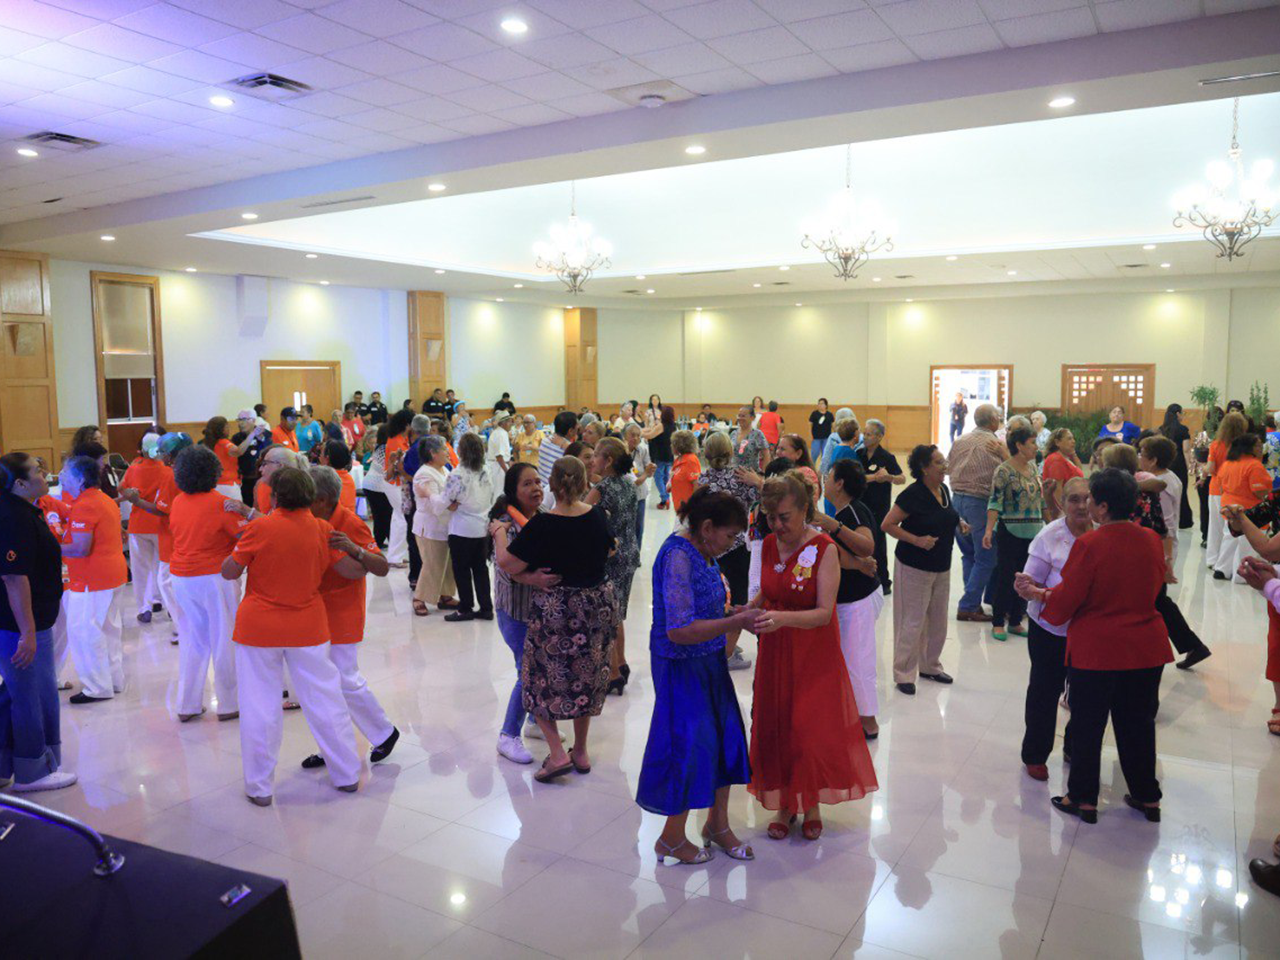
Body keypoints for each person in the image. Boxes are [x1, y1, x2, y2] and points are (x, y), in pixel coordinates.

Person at [1021, 469, 1171, 825]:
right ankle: (1147, 795)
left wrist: (1042, 596)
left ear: (1102, 507)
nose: (1085, 505)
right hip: (1146, 646)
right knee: (1138, 724)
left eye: (1090, 499)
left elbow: (1067, 600)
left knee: (1088, 724)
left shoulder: (1091, 544)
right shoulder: (1151, 538)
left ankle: (1083, 798)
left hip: (1099, 649)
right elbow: (1156, 587)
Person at [221, 466, 366, 805]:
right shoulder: (323, 529)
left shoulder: (259, 528)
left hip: (259, 629)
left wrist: (239, 551)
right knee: (326, 700)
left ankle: (259, 787)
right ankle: (346, 774)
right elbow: (350, 571)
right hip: (309, 628)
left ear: (274, 497)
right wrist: (361, 553)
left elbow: (229, 571)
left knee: (259, 706)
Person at [747, 471, 878, 840]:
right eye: (770, 517)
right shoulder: (769, 544)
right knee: (779, 727)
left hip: (812, 656)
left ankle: (813, 802)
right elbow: (768, 592)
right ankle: (787, 804)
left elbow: (823, 613)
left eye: (784, 517)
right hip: (775, 654)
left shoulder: (824, 549)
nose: (777, 525)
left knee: (807, 731)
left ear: (805, 509)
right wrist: (746, 610)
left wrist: (781, 619)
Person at [636, 488, 758, 865]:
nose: (733, 543)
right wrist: (734, 622)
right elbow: (679, 629)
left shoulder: (704, 552)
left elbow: (705, 609)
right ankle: (671, 838)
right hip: (679, 663)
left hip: (708, 660)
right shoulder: (678, 556)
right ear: (707, 527)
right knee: (689, 747)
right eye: (730, 535)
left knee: (723, 738)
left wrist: (736, 613)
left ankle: (717, 826)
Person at [497, 457, 617, 783]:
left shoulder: (544, 524)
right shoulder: (597, 516)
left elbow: (508, 563)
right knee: (585, 677)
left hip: (559, 610)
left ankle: (557, 753)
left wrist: (498, 533)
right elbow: (610, 550)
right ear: (584, 482)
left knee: (537, 679)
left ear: (552, 484)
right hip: (596, 607)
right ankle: (581, 750)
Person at [298, 465, 398, 771]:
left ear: (324, 500)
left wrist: (353, 550)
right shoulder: (308, 519)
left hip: (342, 611)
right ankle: (332, 746)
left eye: (309, 497)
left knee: (345, 679)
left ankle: (383, 732)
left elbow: (381, 566)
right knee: (322, 686)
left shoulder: (350, 522)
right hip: (313, 610)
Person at [0, 452, 77, 792]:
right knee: (30, 694)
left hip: (31, 621)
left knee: (20, 691)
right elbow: (14, 578)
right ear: (19, 483)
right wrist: (27, 633)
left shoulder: (24, 510)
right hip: (19, 624)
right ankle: (33, 771)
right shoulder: (13, 516)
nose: (44, 474)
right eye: (37, 470)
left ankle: (8, 763)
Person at [1015, 476, 1090, 782]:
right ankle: (1035, 754)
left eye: (1087, 499)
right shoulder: (1050, 536)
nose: (1082, 506)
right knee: (1045, 692)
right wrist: (1028, 588)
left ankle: (1074, 747)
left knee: (1085, 694)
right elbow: (1029, 583)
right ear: (1063, 503)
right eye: (1074, 499)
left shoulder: (1102, 532)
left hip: (1088, 631)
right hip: (1050, 629)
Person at [489, 463, 562, 765]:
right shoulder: (505, 524)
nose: (536, 488)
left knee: (540, 667)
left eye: (538, 482)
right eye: (527, 484)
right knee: (527, 673)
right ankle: (508, 735)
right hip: (515, 612)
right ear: (513, 491)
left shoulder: (541, 516)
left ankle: (534, 720)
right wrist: (533, 578)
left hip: (539, 610)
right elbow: (505, 570)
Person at [167, 445, 246, 722]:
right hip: (214, 577)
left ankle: (187, 704)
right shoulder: (221, 503)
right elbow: (246, 537)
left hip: (181, 577)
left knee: (192, 639)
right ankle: (228, 703)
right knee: (224, 638)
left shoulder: (178, 502)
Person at [883, 444, 964, 694]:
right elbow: (888, 525)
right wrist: (917, 540)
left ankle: (930, 665)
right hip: (914, 566)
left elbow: (945, 514)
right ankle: (903, 673)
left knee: (938, 620)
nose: (944, 466)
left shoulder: (943, 489)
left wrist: (959, 522)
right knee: (912, 621)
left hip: (941, 565)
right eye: (939, 462)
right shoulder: (912, 494)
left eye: (943, 461)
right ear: (924, 468)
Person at [814, 458, 882, 738]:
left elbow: (866, 547)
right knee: (849, 659)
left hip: (858, 598)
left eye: (829, 476)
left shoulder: (852, 512)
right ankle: (851, 713)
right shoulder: (843, 511)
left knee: (859, 661)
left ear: (839, 483)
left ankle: (868, 722)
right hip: (850, 598)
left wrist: (833, 525)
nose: (825, 481)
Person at [1137, 437, 1213, 670]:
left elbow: (1167, 523)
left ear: (1153, 460)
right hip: (1162, 549)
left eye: (1142, 453)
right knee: (1158, 600)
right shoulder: (1168, 477)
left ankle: (1191, 645)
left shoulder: (1161, 484)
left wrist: (1166, 559)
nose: (1138, 457)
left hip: (1161, 549)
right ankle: (1191, 646)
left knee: (1158, 600)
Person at [58, 455, 129, 704]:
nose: (60, 476)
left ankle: (96, 687)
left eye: (65, 472)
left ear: (79, 479)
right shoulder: (103, 499)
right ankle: (113, 680)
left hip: (93, 578)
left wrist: (47, 547)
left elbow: (80, 548)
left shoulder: (85, 505)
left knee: (84, 631)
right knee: (109, 629)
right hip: (112, 574)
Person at [695, 431, 759, 672]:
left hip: (709, 550)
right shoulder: (741, 477)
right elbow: (761, 499)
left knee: (715, 599)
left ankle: (718, 644)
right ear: (730, 452)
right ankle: (727, 652)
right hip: (736, 549)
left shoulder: (702, 480)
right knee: (737, 601)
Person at [983, 425, 1047, 642]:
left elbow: (1041, 500)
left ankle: (1016, 620)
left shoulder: (1034, 468)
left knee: (1027, 577)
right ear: (1019, 445)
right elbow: (994, 502)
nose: (1036, 447)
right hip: (1010, 531)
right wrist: (989, 530)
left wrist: (1052, 524)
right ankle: (998, 622)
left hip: (1033, 531)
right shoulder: (1003, 470)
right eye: (1032, 443)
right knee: (1006, 577)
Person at [586, 437, 640, 695]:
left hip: (611, 554)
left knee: (608, 613)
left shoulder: (603, 488)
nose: (592, 460)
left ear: (608, 461)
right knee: (618, 612)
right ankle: (621, 662)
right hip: (629, 552)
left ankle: (614, 672)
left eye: (595, 455)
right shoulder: (628, 484)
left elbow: (581, 513)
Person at [949, 403, 1005, 622]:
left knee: (969, 554)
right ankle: (969, 605)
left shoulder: (960, 440)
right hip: (979, 503)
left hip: (957, 501)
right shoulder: (996, 444)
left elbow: (949, 466)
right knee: (986, 557)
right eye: (998, 417)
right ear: (993, 421)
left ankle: (971, 602)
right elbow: (1010, 471)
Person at [443, 433, 494, 622]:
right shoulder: (486, 470)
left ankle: (465, 608)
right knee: (480, 569)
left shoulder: (457, 474)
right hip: (482, 526)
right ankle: (486, 608)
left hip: (462, 528)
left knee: (462, 570)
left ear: (461, 451)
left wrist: (454, 504)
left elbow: (447, 501)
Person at [409, 435, 459, 617]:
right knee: (433, 563)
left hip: (445, 525)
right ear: (433, 453)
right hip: (429, 526)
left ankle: (445, 595)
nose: (447, 453)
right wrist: (450, 504)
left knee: (447, 562)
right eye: (444, 449)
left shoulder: (444, 469)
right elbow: (436, 505)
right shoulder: (424, 474)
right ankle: (419, 598)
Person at [121, 432, 166, 624]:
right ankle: (161, 600)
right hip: (161, 524)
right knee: (162, 566)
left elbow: (122, 488)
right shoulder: (167, 469)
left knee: (141, 568)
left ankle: (144, 607)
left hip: (139, 524)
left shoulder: (134, 468)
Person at [855, 418, 903, 595]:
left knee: (879, 544)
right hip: (860, 504)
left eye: (869, 434)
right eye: (864, 433)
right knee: (860, 541)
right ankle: (863, 577)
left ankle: (883, 580)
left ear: (879, 437)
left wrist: (889, 477)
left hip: (879, 506)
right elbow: (855, 477)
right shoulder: (858, 454)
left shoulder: (886, 457)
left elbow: (901, 478)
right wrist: (873, 477)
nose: (865, 437)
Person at [1214, 433, 1270, 584]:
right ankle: (1243, 576)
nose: (1261, 447)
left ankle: (1222, 569)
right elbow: (1260, 491)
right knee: (1248, 544)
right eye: (1258, 445)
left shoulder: (1228, 463)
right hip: (1249, 511)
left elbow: (1220, 486)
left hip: (1228, 507)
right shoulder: (1254, 465)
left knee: (1229, 538)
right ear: (1249, 448)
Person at [1205, 410, 1248, 570]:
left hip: (1216, 488)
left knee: (1214, 526)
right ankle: (1227, 563)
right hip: (1235, 490)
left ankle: (1212, 559)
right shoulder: (1244, 446)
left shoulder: (1216, 444)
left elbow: (1210, 468)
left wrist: (1204, 470)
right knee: (1230, 528)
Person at [381, 409, 414, 567]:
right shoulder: (396, 441)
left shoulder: (401, 439)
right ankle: (395, 557)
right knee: (402, 518)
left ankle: (395, 555)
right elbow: (398, 465)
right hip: (394, 483)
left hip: (397, 483)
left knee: (398, 517)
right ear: (407, 424)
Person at [1157, 403, 1195, 529]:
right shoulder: (1183, 429)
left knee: (1165, 491)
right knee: (1181, 491)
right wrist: (1190, 467)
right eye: (1182, 413)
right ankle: (1184, 521)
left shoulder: (1161, 429)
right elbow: (1186, 450)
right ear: (1178, 414)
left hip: (1164, 462)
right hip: (1178, 463)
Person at [203, 416, 253, 501]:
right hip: (228, 486)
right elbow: (238, 451)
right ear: (222, 429)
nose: (229, 429)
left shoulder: (207, 444)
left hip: (215, 485)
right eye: (227, 427)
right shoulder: (223, 443)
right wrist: (252, 435)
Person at [624, 423, 656, 548]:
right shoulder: (621, 451)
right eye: (632, 435)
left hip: (639, 494)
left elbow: (648, 469)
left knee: (639, 527)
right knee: (625, 526)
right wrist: (646, 473)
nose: (636, 438)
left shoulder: (643, 450)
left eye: (638, 436)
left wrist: (651, 469)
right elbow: (630, 478)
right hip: (625, 494)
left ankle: (636, 553)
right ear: (625, 436)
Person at [1041, 429, 1083, 518]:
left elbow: (1080, 472)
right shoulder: (1056, 460)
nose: (1073, 441)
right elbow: (1057, 490)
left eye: (1073, 438)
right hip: (1063, 511)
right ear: (1057, 442)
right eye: (1069, 439)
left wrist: (1073, 454)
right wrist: (1063, 513)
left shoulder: (1065, 458)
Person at [231, 410, 270, 506]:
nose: (240, 423)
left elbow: (269, 451)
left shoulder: (266, 434)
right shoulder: (236, 438)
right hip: (244, 480)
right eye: (238, 420)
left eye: (243, 420)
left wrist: (261, 439)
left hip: (262, 479)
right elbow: (236, 454)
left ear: (253, 420)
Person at [538, 410, 577, 503]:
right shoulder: (569, 449)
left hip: (542, 487)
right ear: (570, 431)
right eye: (577, 428)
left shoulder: (545, 441)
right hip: (555, 493)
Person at [643, 404, 676, 511]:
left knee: (658, 477)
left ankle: (665, 498)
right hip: (670, 454)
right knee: (666, 477)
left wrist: (639, 433)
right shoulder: (673, 425)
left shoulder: (661, 425)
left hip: (660, 454)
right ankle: (664, 500)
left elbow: (650, 435)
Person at [669, 429, 702, 513]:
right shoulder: (678, 460)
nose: (671, 446)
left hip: (688, 510)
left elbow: (697, 484)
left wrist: (693, 506)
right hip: (679, 507)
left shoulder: (691, 460)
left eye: (673, 443)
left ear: (679, 445)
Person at [730, 406, 770, 474]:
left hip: (751, 475)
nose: (740, 418)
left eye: (743, 416)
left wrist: (764, 473)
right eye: (739, 415)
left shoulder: (757, 434)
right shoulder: (733, 434)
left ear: (752, 417)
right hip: (733, 474)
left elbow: (766, 454)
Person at [819, 407, 856, 474]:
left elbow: (826, 459)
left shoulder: (833, 437)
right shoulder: (859, 437)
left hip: (836, 474)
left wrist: (823, 473)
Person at [487, 413, 514, 489]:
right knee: (499, 492)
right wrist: (507, 472)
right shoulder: (501, 434)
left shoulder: (499, 432)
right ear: (503, 423)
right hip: (499, 467)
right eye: (509, 421)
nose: (511, 424)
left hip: (498, 465)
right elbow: (499, 456)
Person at [808, 398, 834, 464]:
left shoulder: (829, 414)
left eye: (822, 403)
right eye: (819, 403)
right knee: (815, 453)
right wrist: (810, 434)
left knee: (825, 454)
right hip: (816, 437)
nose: (820, 405)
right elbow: (810, 424)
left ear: (826, 405)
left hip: (826, 438)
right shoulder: (814, 414)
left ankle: (823, 468)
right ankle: (811, 465)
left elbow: (833, 425)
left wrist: (835, 435)